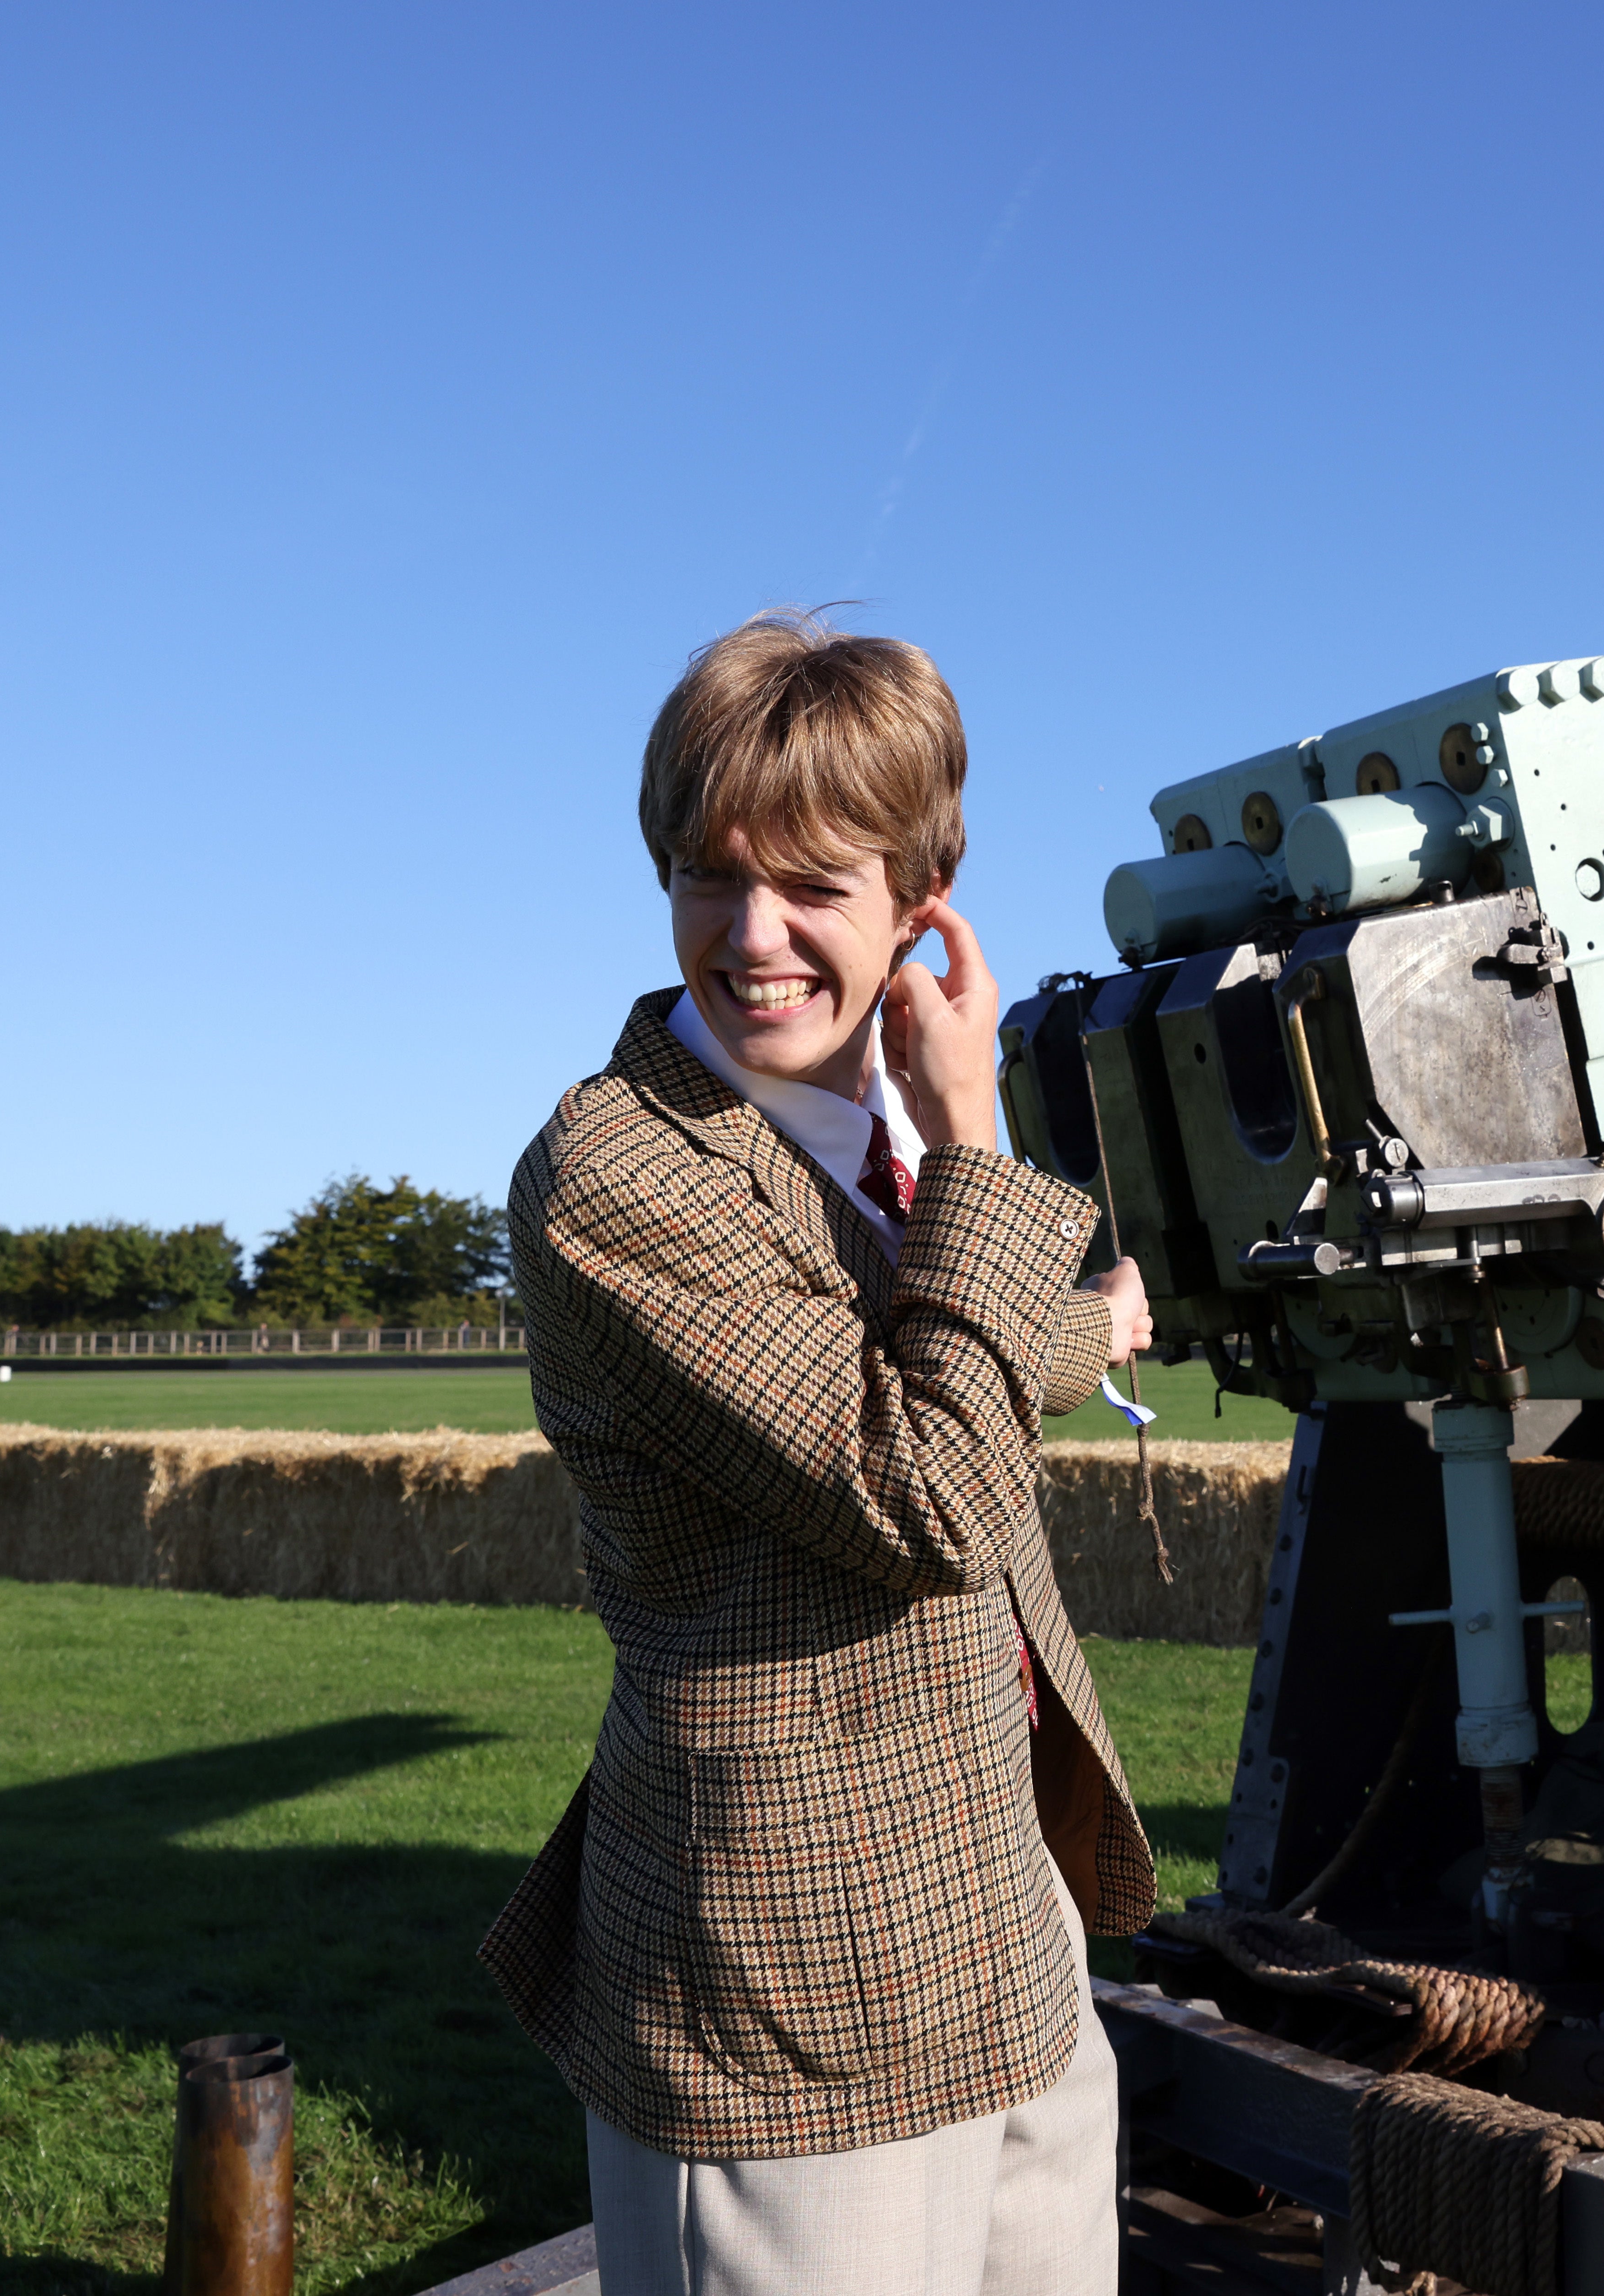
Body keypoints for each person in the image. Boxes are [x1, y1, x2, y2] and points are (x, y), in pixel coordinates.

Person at [480, 612, 1158, 2296]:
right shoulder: (622, 1173)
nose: (753, 936)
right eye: (712, 880)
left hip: (1006, 1927)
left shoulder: (883, 1133)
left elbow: (946, 1365)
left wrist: (1089, 1322)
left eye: (815, 885)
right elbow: (928, 1484)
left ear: (921, 910)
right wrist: (989, 1153)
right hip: (790, 1995)